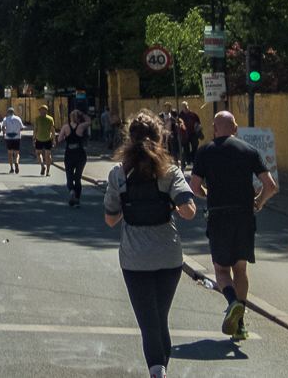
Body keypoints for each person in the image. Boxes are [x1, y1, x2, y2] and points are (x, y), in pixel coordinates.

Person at [103, 111, 196, 378]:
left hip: (134, 259)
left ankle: (157, 372)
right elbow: (188, 211)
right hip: (169, 257)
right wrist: (170, 204)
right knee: (159, 320)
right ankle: (161, 370)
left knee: (148, 323)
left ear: (129, 140)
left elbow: (110, 219)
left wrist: (128, 208)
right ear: (161, 138)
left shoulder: (118, 173)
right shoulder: (169, 171)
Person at [190, 110, 278, 341]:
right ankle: (240, 325)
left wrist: (207, 194)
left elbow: (194, 186)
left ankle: (232, 304)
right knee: (240, 270)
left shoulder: (205, 151)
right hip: (244, 217)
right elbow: (270, 185)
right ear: (236, 129)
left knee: (220, 270)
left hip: (219, 217)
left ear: (214, 128)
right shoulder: (249, 150)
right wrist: (258, 203)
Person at [56, 109, 91, 207]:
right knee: (78, 177)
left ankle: (72, 191)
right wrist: (83, 114)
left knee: (69, 174)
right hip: (80, 154)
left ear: (70, 117)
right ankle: (78, 199)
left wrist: (64, 137)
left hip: (69, 154)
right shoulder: (81, 126)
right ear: (78, 118)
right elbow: (89, 122)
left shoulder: (65, 127)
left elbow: (59, 139)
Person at [33, 105, 55, 176]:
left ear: (46, 111)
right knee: (48, 155)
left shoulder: (37, 119)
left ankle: (42, 165)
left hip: (39, 139)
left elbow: (35, 129)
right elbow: (53, 130)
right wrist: (54, 140)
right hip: (47, 139)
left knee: (38, 153)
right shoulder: (50, 119)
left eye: (42, 110)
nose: (41, 111)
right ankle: (48, 171)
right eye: (40, 110)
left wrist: (34, 138)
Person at [177, 102, 201, 170]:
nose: (184, 107)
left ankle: (193, 160)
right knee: (186, 149)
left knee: (195, 146)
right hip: (185, 134)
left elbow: (198, 122)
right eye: (183, 106)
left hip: (193, 133)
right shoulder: (180, 115)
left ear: (188, 106)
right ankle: (188, 161)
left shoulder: (193, 114)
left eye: (185, 105)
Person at [1, 107, 24, 174]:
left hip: (8, 138)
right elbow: (22, 128)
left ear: (8, 112)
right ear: (13, 112)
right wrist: (17, 131)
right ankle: (16, 162)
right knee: (17, 153)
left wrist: (4, 133)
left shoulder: (5, 119)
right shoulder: (18, 118)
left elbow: (3, 127)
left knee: (10, 153)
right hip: (17, 137)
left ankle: (11, 168)